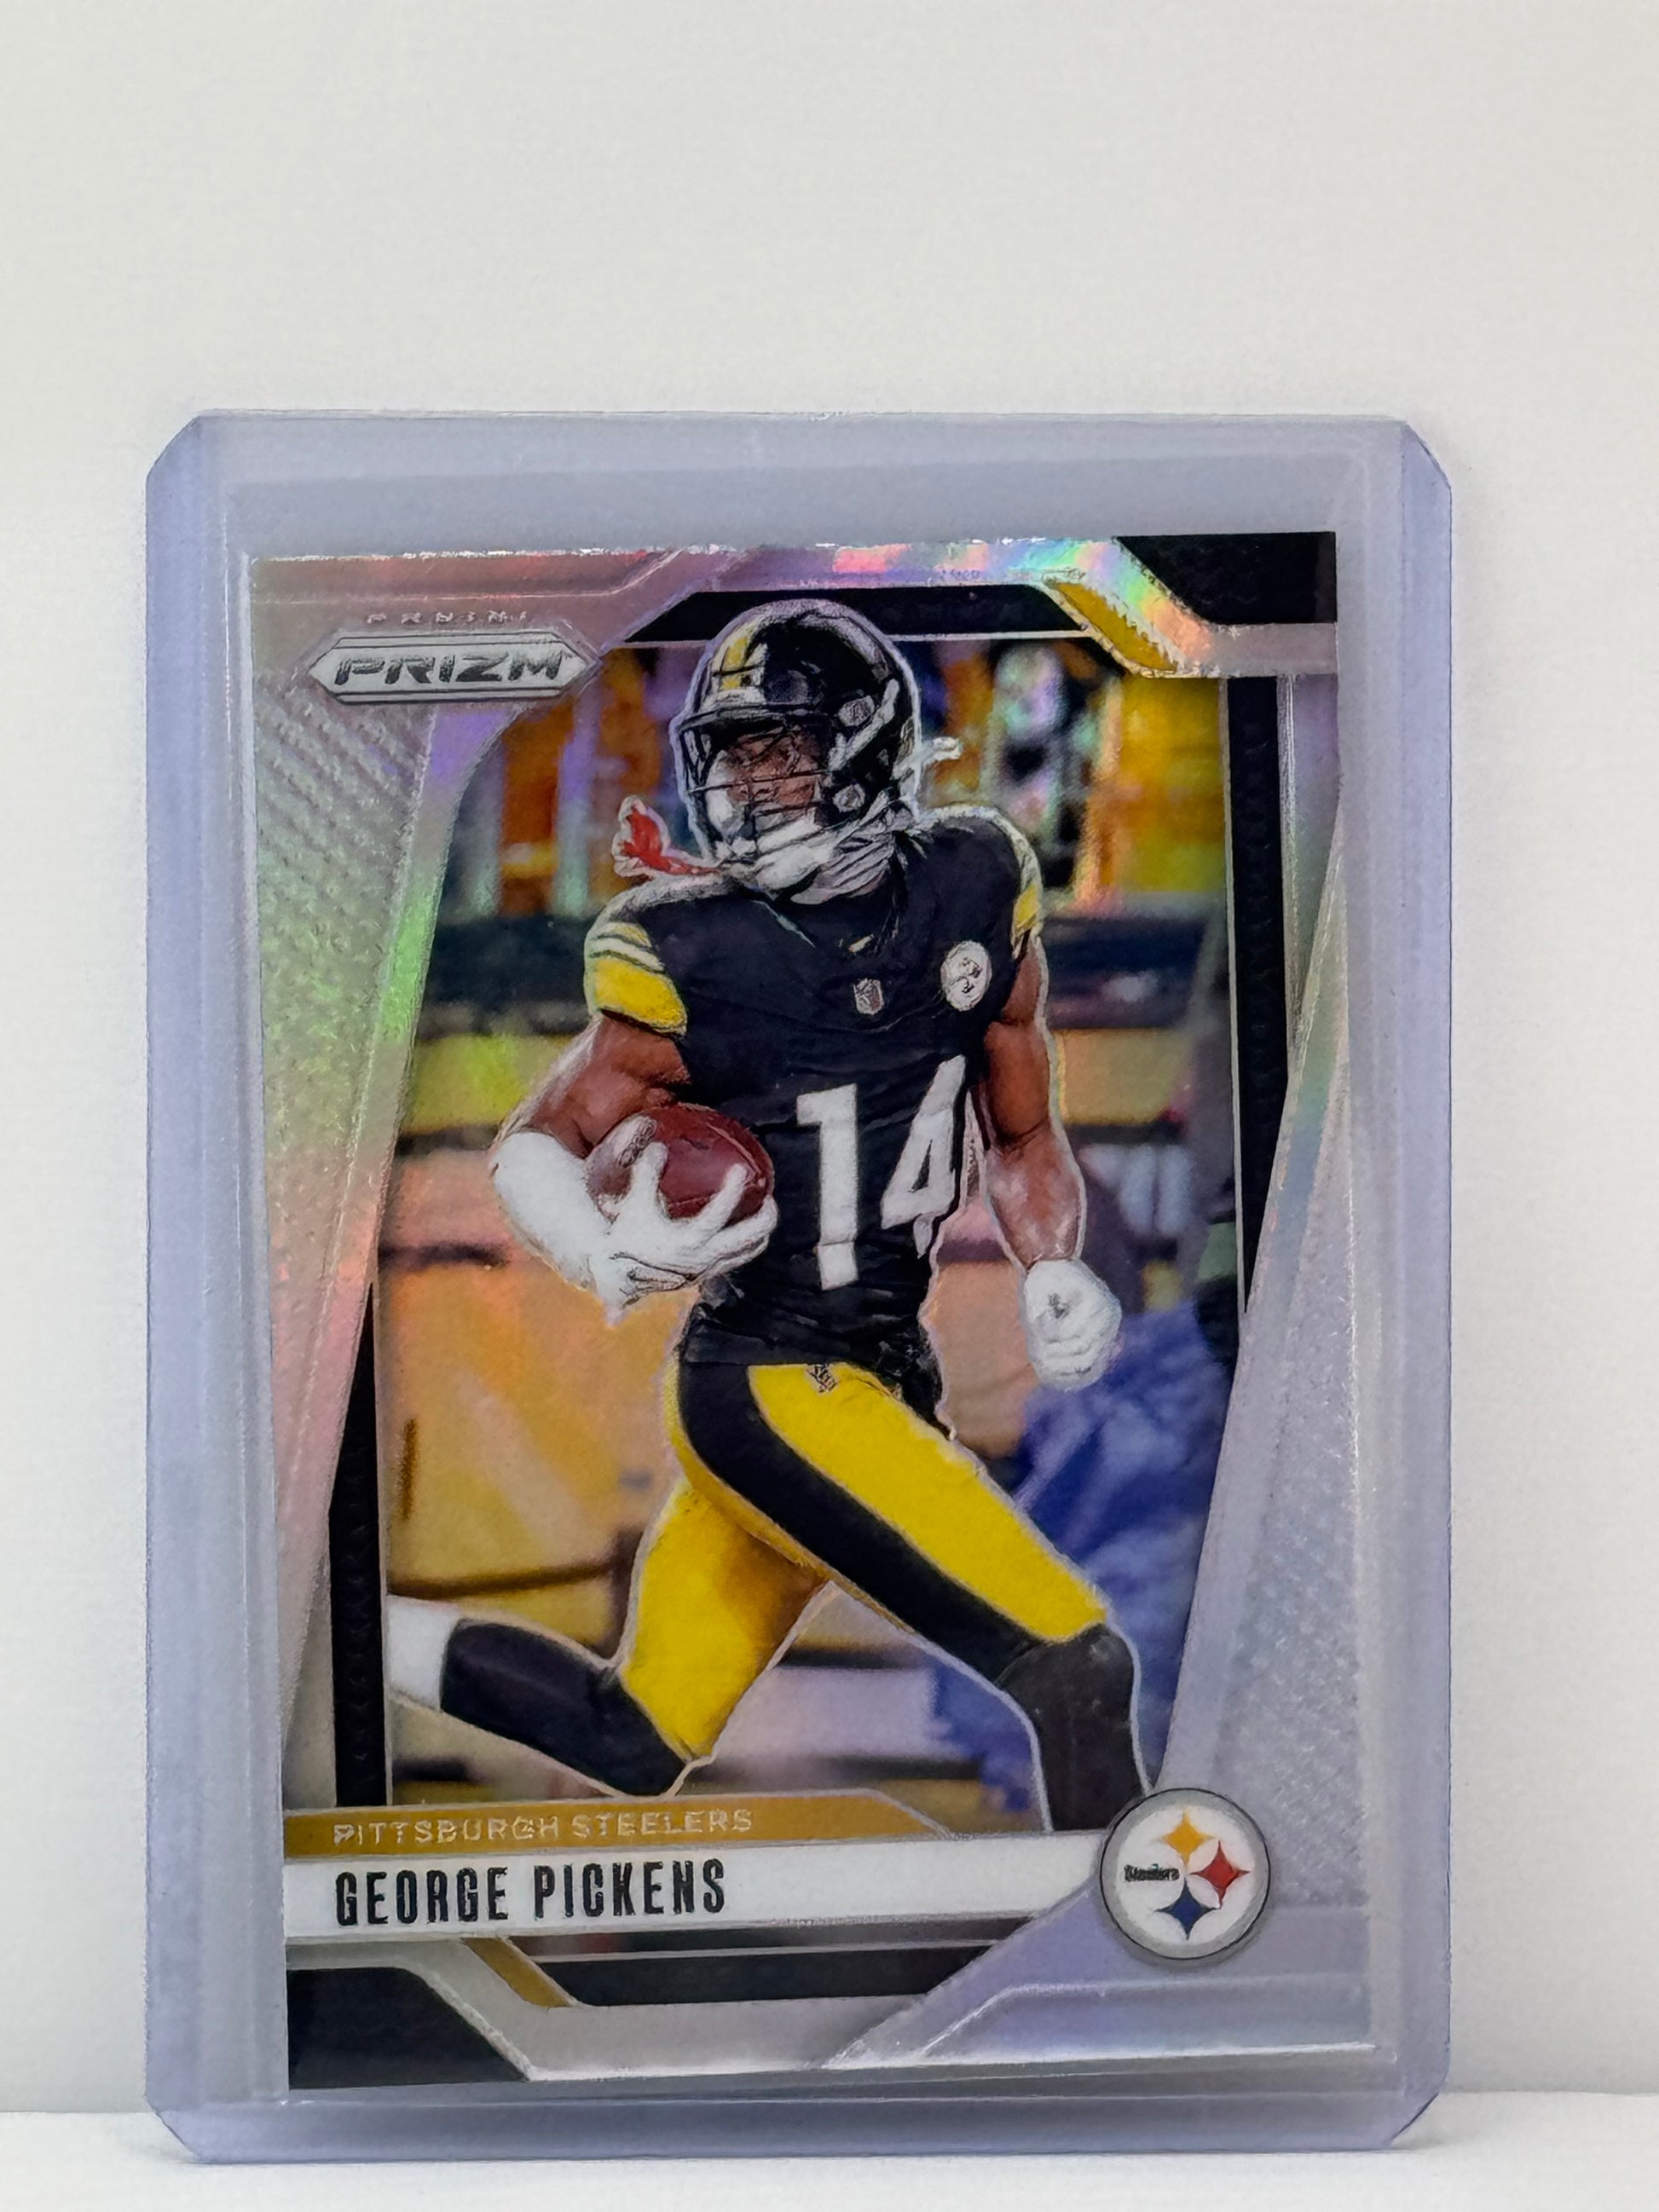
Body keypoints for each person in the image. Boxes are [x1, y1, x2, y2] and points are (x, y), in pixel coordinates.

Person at [386, 599, 1145, 1830]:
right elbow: (539, 1139)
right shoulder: (693, 950)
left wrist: (1050, 1262)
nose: (752, 789)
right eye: (735, 760)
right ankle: (1123, 1931)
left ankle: (349, 1631)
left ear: (866, 745)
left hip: (881, 1375)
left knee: (633, 1735)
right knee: (1078, 1668)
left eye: (782, 753)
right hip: (768, 1382)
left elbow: (1019, 1132)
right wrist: (600, 1248)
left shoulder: (971, 882)